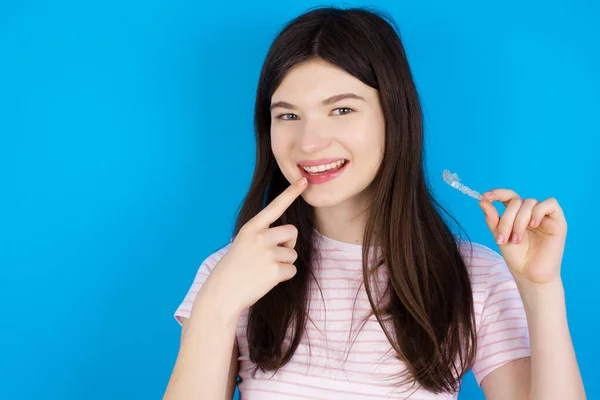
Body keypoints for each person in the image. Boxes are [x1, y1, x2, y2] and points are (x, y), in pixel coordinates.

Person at [163, 6, 586, 400]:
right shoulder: (234, 272)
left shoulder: (473, 277)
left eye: (342, 109)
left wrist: (540, 289)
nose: (309, 143)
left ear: (394, 117)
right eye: (288, 116)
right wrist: (217, 304)